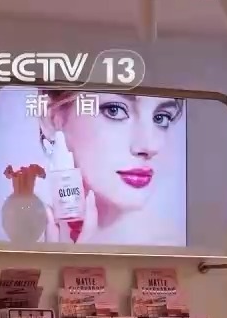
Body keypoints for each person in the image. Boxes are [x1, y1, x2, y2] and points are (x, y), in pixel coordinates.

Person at [38, 91, 186, 245]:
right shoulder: (26, 245)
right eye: (114, 110)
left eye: (161, 118)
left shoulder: (179, 249)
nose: (150, 146)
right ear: (52, 119)